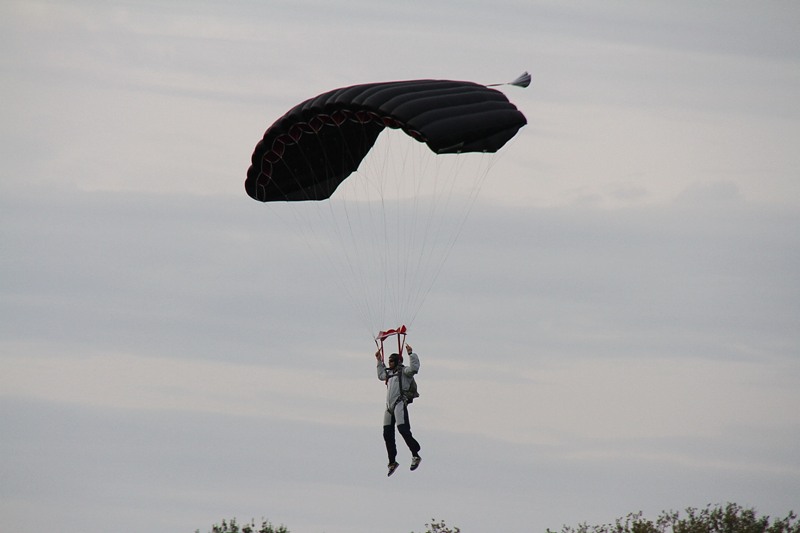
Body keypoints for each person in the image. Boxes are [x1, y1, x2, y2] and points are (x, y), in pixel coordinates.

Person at [376, 342, 422, 476]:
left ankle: (415, 454)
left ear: (397, 361)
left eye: (391, 361)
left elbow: (414, 369)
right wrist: (379, 360)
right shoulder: (389, 373)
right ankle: (392, 462)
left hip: (399, 403)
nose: (389, 363)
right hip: (389, 407)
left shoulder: (405, 372)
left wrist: (411, 354)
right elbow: (381, 375)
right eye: (388, 361)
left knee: (403, 430)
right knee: (387, 434)